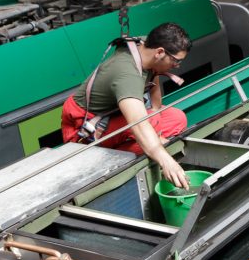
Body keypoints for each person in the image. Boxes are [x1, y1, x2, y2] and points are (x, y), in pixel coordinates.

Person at [61, 23, 191, 188]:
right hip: (85, 126)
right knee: (147, 131)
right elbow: (138, 123)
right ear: (159, 52)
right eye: (176, 61)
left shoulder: (146, 47)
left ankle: (144, 142)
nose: (177, 66)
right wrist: (167, 161)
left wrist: (156, 111)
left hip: (113, 115)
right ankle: (108, 157)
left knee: (176, 118)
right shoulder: (127, 75)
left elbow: (153, 73)